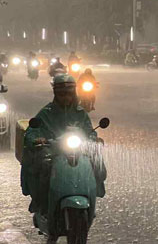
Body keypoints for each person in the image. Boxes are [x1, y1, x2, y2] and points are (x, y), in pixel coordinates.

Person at [21, 75, 103, 217]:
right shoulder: (46, 113)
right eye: (62, 94)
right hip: (53, 152)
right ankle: (42, 203)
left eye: (69, 94)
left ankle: (92, 196)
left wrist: (92, 139)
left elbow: (90, 131)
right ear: (56, 94)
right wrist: (36, 139)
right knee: (43, 167)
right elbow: (31, 132)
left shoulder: (80, 113)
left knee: (97, 164)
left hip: (78, 152)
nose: (65, 97)